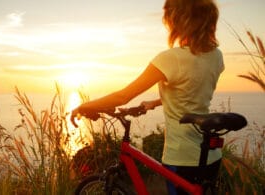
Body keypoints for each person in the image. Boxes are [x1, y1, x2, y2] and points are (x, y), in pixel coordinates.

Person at [70, 0, 223, 194]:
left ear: (180, 20)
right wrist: (156, 102)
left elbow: (123, 96)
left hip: (182, 157)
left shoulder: (171, 58)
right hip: (211, 155)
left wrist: (85, 106)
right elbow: (194, 91)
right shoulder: (216, 56)